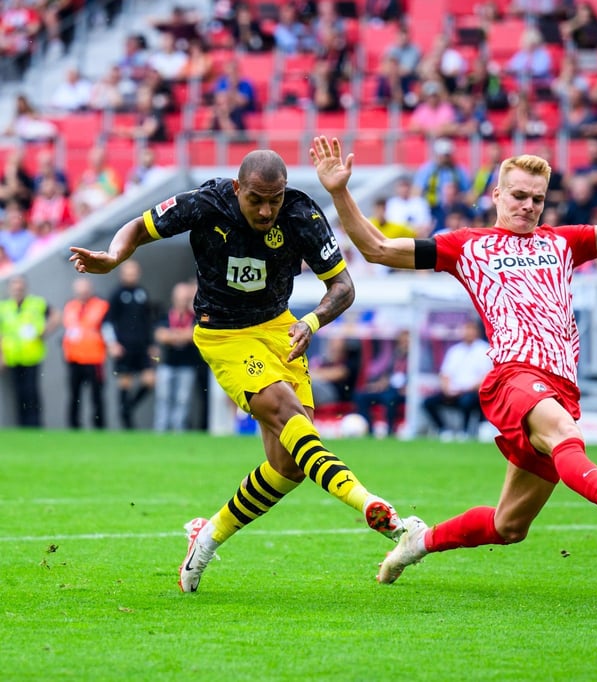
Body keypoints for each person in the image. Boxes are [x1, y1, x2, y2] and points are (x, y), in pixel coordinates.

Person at [309, 134, 597, 584]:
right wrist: (338, 190)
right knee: (565, 433)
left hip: (560, 387)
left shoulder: (562, 243)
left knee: (508, 526)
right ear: (496, 194)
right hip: (513, 377)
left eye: (537, 199)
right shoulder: (466, 245)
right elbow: (378, 248)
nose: (528, 206)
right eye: (518, 195)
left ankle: (419, 542)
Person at [68, 149, 405, 593]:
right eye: (256, 200)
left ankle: (206, 537)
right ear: (236, 189)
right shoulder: (205, 203)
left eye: (275, 199)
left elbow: (343, 286)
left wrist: (312, 320)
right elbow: (138, 226)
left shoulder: (302, 212)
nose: (267, 210)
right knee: (289, 414)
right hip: (224, 334)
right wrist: (114, 256)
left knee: (287, 466)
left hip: (281, 328)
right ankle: (375, 509)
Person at [0, 275, 59, 426]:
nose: (17, 289)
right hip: (13, 356)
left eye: (20, 285)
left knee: (31, 392)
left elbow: (56, 315)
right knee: (18, 393)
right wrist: (2, 356)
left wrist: (44, 331)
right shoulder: (4, 307)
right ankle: (22, 424)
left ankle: (35, 424)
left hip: (32, 354)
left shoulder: (36, 303)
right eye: (14, 285)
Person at [104, 260, 156, 430]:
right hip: (124, 347)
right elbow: (107, 322)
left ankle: (128, 409)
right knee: (125, 383)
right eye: (128, 272)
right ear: (122, 274)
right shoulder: (116, 294)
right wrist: (112, 344)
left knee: (149, 381)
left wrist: (151, 344)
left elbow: (147, 321)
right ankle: (126, 423)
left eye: (133, 272)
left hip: (141, 347)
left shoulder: (142, 293)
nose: (131, 276)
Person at [422, 320, 492, 440]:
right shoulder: (454, 350)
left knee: (467, 401)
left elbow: (487, 376)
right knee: (428, 402)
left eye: (471, 330)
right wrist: (447, 389)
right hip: (453, 391)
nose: (468, 333)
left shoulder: (484, 350)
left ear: (477, 332)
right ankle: (443, 429)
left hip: (473, 391)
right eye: (465, 330)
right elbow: (445, 374)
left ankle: (464, 432)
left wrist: (467, 389)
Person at [152, 281, 200, 433]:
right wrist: (181, 335)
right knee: (163, 398)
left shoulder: (194, 317)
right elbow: (160, 335)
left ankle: (179, 430)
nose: (183, 300)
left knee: (183, 400)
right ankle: (161, 430)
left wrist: (173, 335)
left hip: (187, 365)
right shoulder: (165, 315)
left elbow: (194, 335)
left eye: (185, 297)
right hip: (167, 364)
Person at [62, 277, 109, 430]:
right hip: (74, 357)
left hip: (94, 357)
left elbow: (107, 329)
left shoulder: (101, 306)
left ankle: (99, 426)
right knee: (74, 395)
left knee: (97, 395)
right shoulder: (70, 306)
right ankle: (74, 426)